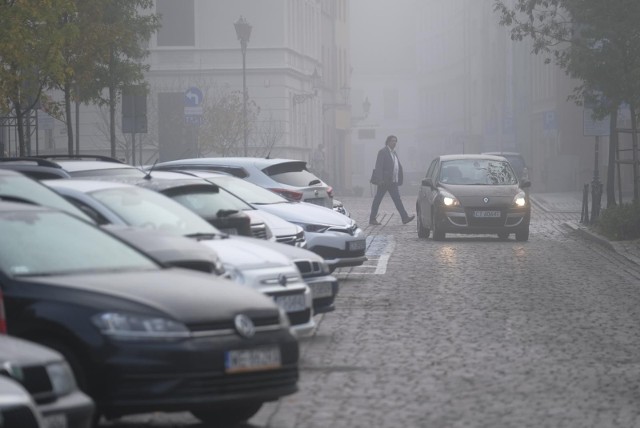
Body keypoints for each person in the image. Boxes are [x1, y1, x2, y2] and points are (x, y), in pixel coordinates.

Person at [369, 135, 415, 225]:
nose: (394, 143)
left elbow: (396, 165)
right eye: (392, 141)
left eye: (395, 141)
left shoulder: (394, 153)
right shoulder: (383, 152)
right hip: (384, 182)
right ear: (388, 142)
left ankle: (404, 218)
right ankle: (372, 219)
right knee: (377, 200)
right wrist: (380, 180)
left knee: (398, 200)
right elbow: (379, 166)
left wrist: (399, 178)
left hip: (393, 182)